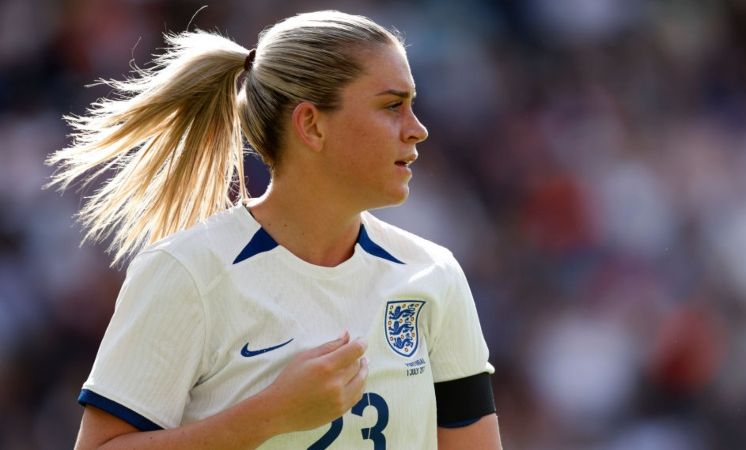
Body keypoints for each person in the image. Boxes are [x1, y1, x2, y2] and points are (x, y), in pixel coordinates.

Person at [48, 10, 501, 450]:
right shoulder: (185, 273)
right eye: (391, 106)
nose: (417, 129)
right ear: (311, 124)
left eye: (412, 105)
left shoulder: (433, 275)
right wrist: (270, 416)